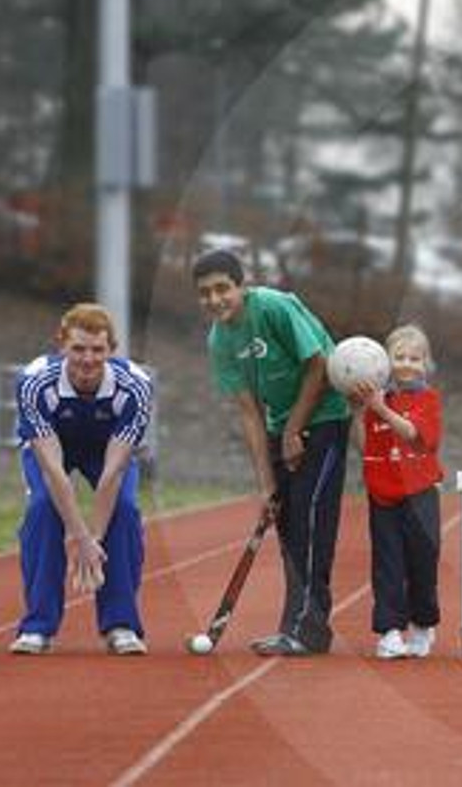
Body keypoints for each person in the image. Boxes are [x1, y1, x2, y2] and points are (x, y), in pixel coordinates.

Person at [192, 248, 350, 656]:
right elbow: (249, 413)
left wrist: (295, 430)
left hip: (327, 416)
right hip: (282, 428)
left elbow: (318, 364)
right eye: (205, 293)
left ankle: (308, 630)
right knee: (289, 527)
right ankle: (295, 626)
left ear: (241, 285)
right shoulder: (219, 340)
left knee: (313, 523)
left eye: (222, 289)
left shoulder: (274, 307)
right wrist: (266, 483)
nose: (215, 300)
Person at [9, 303, 153, 655]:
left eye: (97, 350)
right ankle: (38, 627)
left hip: (107, 450)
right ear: (61, 345)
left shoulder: (135, 386)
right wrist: (78, 535)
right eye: (78, 349)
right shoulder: (34, 382)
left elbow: (113, 472)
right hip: (52, 449)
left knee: (125, 509)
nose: (87, 360)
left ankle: (120, 625)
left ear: (111, 350)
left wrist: (95, 540)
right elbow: (54, 471)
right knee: (43, 508)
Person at [346, 325, 444, 660]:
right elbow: (364, 446)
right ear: (385, 361)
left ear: (426, 363)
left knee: (422, 564)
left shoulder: (427, 399)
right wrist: (359, 412)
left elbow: (413, 434)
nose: (406, 364)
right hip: (382, 494)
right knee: (387, 565)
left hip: (420, 495)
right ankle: (389, 633)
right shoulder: (376, 399)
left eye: (414, 358)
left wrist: (381, 408)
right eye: (399, 357)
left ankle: (422, 623)